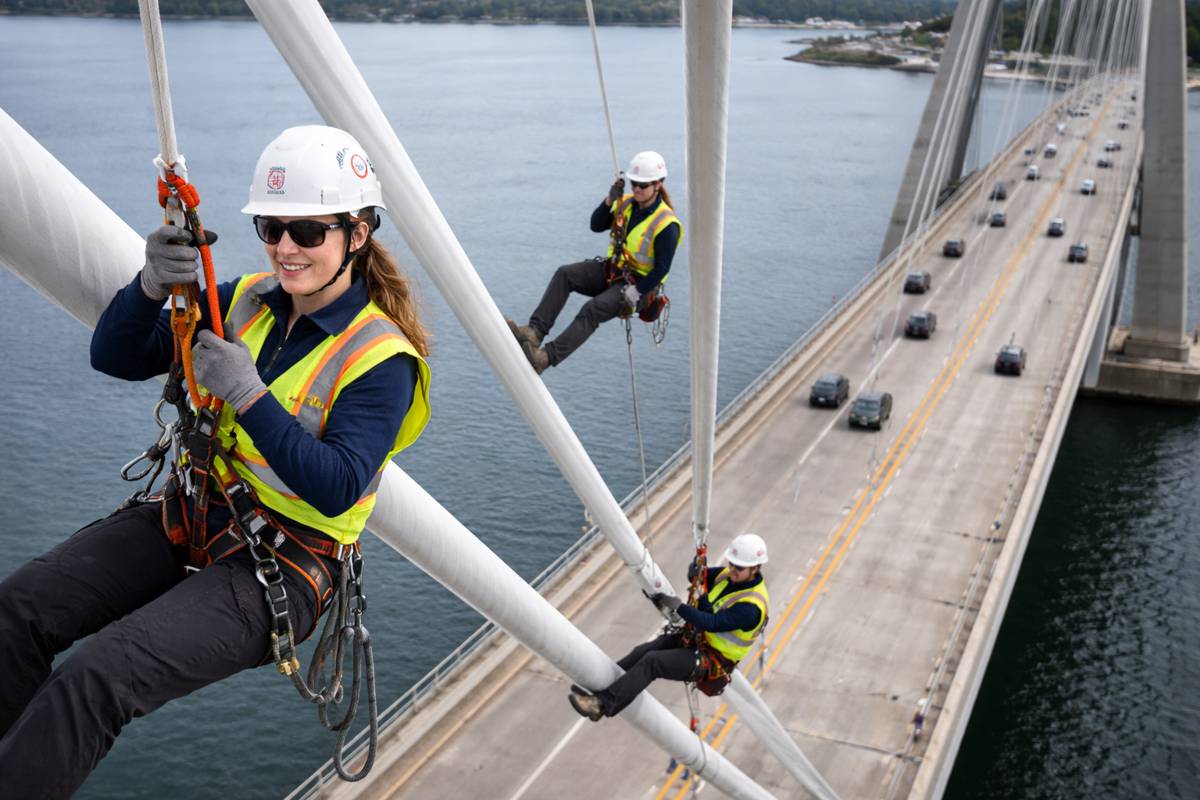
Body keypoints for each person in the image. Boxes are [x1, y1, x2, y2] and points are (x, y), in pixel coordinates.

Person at [0, 125, 431, 798]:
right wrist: (148, 286)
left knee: (100, 677)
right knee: (19, 609)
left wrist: (249, 395)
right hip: (195, 513)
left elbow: (336, 488)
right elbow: (115, 357)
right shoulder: (247, 302)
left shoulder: (381, 360)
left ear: (359, 232)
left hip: (284, 564)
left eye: (308, 233)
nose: (285, 249)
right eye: (271, 227)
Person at [508, 150, 683, 373]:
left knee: (592, 310)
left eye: (643, 185)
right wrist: (609, 199)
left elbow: (662, 268)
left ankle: (544, 358)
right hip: (615, 271)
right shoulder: (626, 203)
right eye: (634, 183)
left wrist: (637, 291)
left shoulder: (667, 224)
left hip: (638, 288)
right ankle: (534, 333)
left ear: (657, 185)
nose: (637, 189)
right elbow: (596, 225)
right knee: (565, 274)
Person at [568, 533, 770, 721]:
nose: (733, 569)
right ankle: (600, 689)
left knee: (653, 662)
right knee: (642, 652)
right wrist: (695, 569)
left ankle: (602, 705)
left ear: (755, 568)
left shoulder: (751, 606)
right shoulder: (728, 575)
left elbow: (711, 623)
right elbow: (698, 576)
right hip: (695, 639)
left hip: (712, 658)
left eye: (739, 567)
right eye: (732, 563)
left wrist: (678, 607)